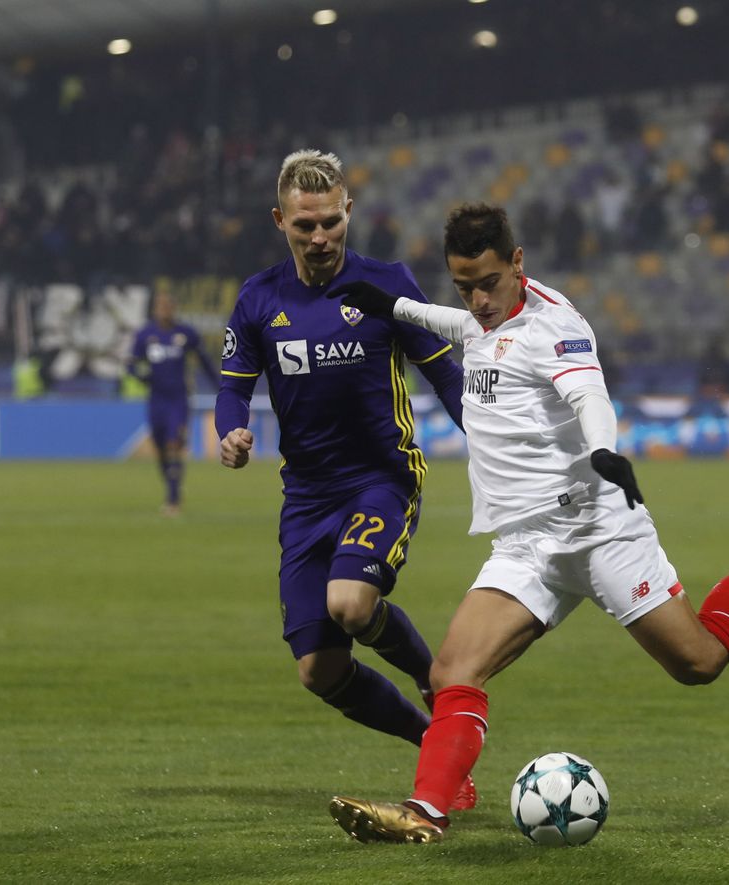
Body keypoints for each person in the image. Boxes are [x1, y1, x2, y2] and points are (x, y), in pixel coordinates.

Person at [323, 203, 729, 844]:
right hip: (527, 545)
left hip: (597, 529)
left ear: (517, 263)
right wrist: (397, 307)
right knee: (451, 674)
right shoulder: (484, 317)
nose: (477, 300)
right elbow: (465, 329)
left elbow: (590, 397)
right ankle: (426, 814)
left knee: (698, 662)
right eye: (464, 286)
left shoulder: (556, 326)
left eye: (488, 284)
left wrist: (605, 452)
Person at [214, 151, 475, 808]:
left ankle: (431, 675)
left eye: (331, 222)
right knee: (318, 670)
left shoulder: (388, 284)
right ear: (281, 221)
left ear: (348, 212)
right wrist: (232, 431)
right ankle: (432, 744)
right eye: (305, 226)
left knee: (351, 604)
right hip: (305, 497)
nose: (321, 237)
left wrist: (491, 443)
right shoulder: (258, 298)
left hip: (381, 478)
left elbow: (445, 375)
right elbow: (232, 387)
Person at [129, 292, 219, 515]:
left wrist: (221, 387)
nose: (165, 310)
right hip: (156, 399)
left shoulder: (185, 334)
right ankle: (172, 486)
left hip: (178, 399)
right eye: (161, 307)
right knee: (160, 448)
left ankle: (173, 499)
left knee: (173, 444)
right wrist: (142, 376)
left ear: (174, 309)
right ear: (155, 310)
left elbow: (204, 360)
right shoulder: (145, 335)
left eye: (168, 306)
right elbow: (131, 364)